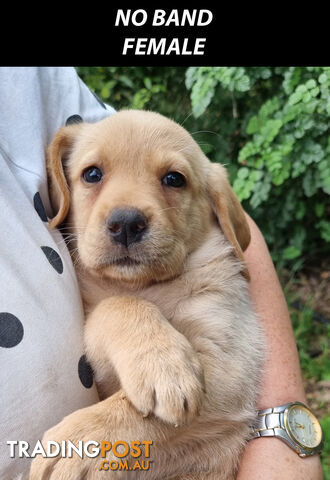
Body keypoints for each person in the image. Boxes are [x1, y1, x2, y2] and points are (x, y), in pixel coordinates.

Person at [0, 67, 322, 480]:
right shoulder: (98, 292)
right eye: (93, 174)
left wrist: (110, 433)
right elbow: (102, 334)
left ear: (215, 207)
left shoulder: (208, 274)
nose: (125, 215)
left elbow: (226, 388)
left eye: (173, 179)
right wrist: (126, 318)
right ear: (61, 185)